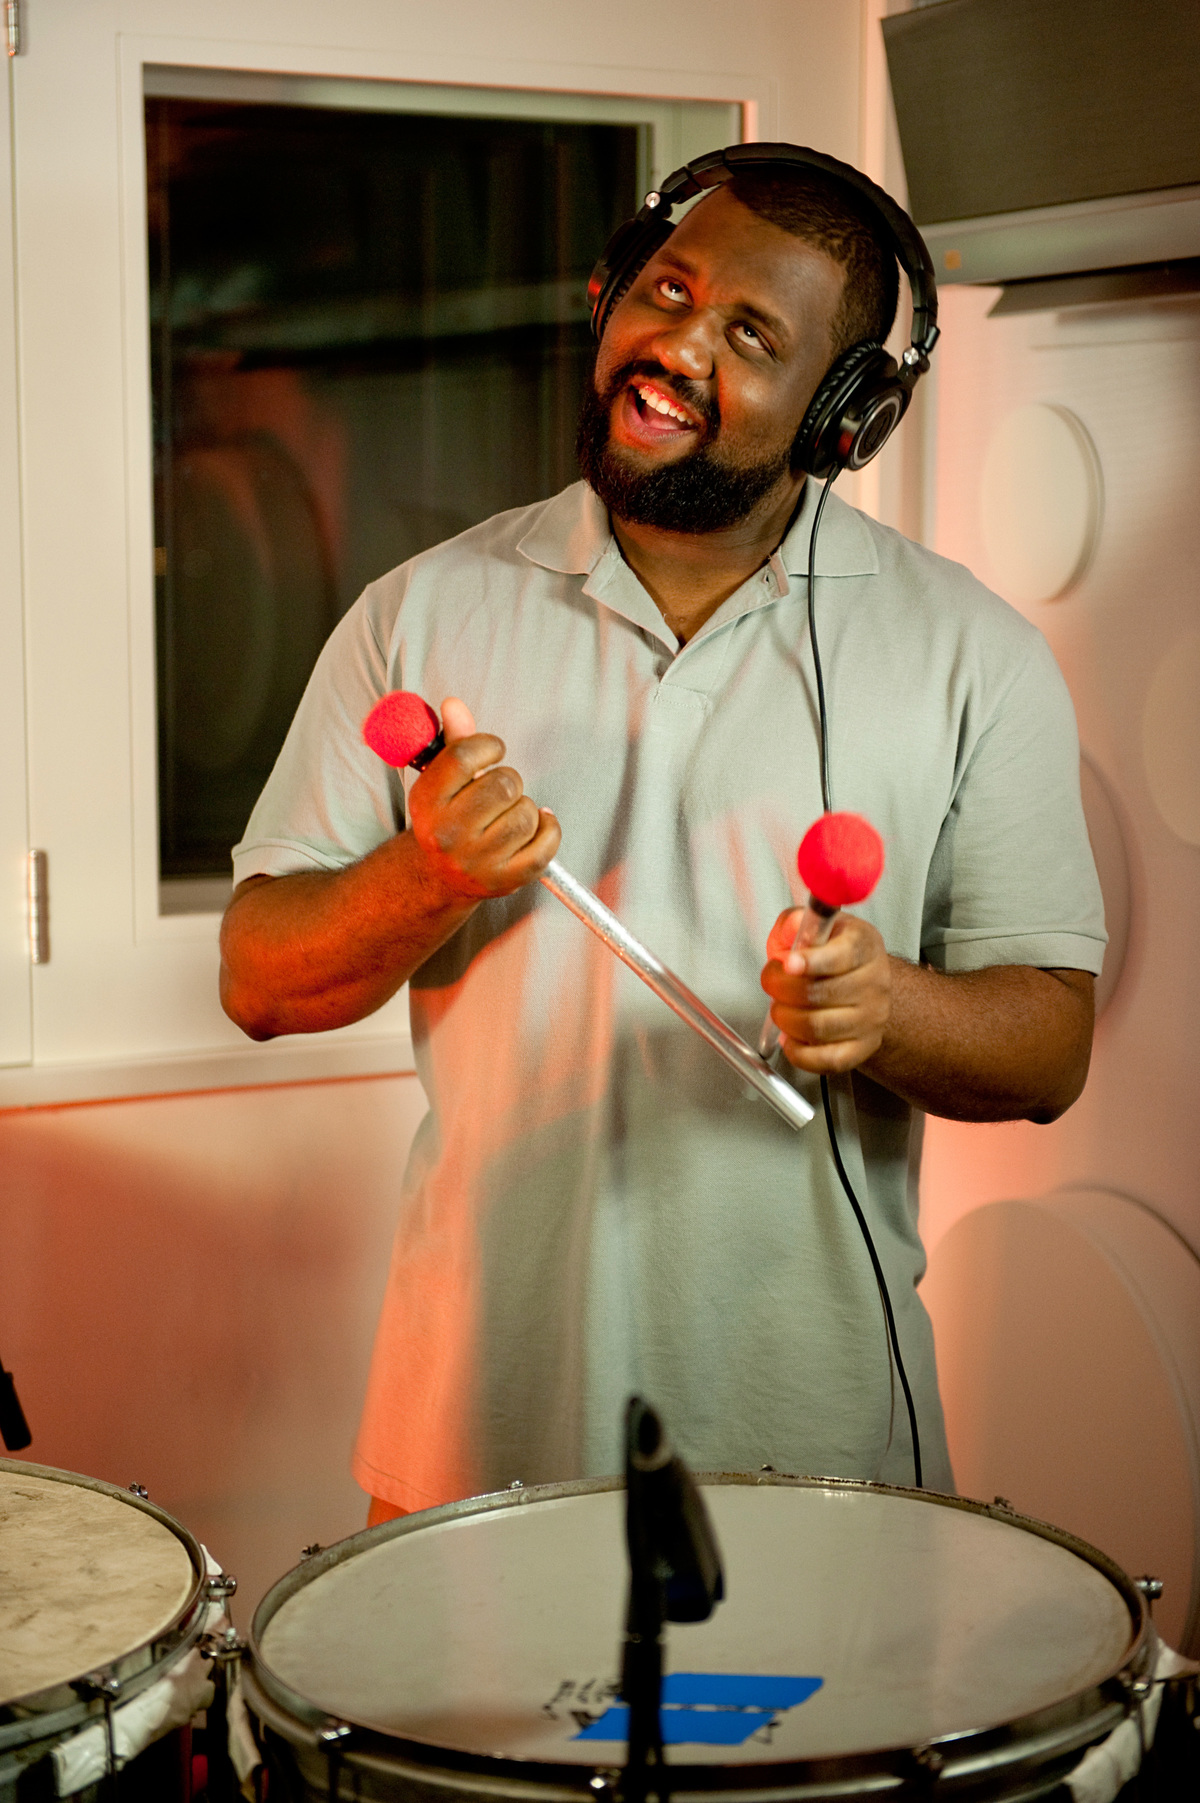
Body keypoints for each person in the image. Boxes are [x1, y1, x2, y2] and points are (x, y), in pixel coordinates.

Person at [219, 153, 1103, 1521]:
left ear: (844, 415)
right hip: (473, 1436)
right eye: (670, 292)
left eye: (751, 335)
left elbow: (1051, 1047)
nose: (680, 348)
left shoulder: (973, 655)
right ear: (609, 293)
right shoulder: (420, 613)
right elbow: (260, 981)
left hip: (822, 1454)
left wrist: (889, 1009)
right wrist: (428, 873)